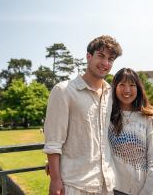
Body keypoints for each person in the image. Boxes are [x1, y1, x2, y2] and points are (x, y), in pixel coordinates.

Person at [43, 35, 123, 195]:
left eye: (111, 59)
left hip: (106, 183)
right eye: (101, 56)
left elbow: (130, 110)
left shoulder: (111, 93)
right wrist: (55, 180)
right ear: (88, 56)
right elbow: (53, 142)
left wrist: (150, 115)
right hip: (75, 185)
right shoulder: (64, 91)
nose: (105, 63)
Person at [108, 68, 153, 195]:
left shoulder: (148, 119)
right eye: (121, 84)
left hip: (144, 189)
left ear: (138, 88)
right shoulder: (107, 116)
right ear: (114, 88)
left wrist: (149, 191)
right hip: (114, 189)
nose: (127, 90)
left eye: (132, 85)